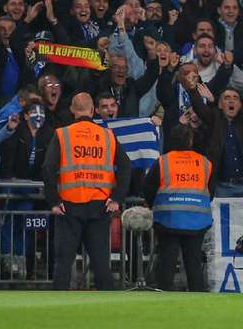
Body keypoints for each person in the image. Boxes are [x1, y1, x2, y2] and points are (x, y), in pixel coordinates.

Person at [42, 92, 131, 290]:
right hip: (99, 206)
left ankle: (56, 308)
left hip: (69, 206)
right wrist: (116, 198)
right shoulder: (107, 135)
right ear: (93, 110)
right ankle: (108, 308)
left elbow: (48, 168)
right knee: (101, 263)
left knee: (64, 262)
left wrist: (54, 201)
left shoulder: (62, 134)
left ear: (72, 110)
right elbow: (125, 166)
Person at [143, 127, 212, 292]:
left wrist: (154, 205)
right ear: (191, 141)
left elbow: (148, 188)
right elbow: (211, 190)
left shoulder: (163, 161)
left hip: (168, 219)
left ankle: (163, 297)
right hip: (197, 220)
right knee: (194, 263)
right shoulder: (205, 163)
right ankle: (198, 299)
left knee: (167, 262)